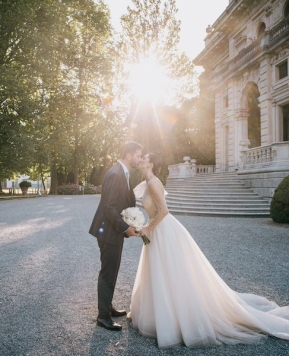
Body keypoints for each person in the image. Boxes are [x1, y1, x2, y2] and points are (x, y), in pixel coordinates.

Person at [128, 153, 289, 348]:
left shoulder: (153, 183)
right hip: (156, 231)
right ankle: (159, 314)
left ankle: (178, 318)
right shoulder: (147, 182)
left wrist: (147, 228)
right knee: (159, 273)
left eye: (144, 157)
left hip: (163, 230)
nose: (141, 160)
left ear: (151, 164)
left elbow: (163, 211)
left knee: (172, 273)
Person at [89, 141, 143, 331]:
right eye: (138, 155)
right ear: (128, 155)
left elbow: (121, 204)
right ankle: (103, 317)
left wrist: (132, 222)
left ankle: (108, 307)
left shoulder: (124, 173)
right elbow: (109, 207)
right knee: (107, 272)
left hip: (113, 230)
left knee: (112, 270)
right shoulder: (115, 174)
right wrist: (125, 228)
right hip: (108, 231)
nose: (140, 159)